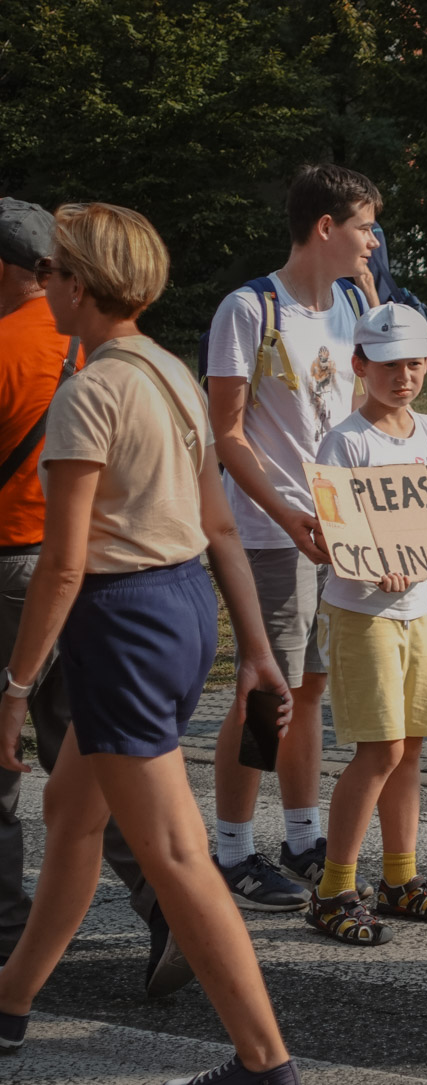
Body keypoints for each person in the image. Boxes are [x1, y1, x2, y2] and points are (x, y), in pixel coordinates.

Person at [0, 202, 299, 1085]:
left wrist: (14, 688)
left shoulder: (89, 392)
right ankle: (10, 1000)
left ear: (80, 285)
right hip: (180, 606)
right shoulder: (169, 369)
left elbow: (62, 565)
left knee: (174, 854)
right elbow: (219, 526)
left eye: (54, 271)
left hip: (121, 621)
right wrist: (254, 648)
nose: (44, 283)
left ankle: (266, 1065)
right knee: (72, 814)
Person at [0, 197, 190, 997]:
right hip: (123, 586)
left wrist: (14, 685)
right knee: (87, 769)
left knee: (10, 765)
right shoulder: (140, 358)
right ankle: (165, 905)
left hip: (29, 572)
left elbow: (60, 557)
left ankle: (9, 937)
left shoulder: (18, 350)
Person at [206, 163, 381, 910]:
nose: (374, 241)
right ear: (325, 227)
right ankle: (231, 850)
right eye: (365, 227)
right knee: (264, 690)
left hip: (336, 529)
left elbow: (372, 407)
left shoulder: (353, 303)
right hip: (271, 531)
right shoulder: (249, 308)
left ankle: (303, 838)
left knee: (310, 688)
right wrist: (285, 514)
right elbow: (226, 433)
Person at [305, 303, 427, 945]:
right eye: (388, 366)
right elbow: (332, 537)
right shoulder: (346, 441)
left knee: (409, 748)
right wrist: (373, 563)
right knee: (378, 750)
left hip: (417, 612)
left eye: (414, 364)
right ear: (359, 366)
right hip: (361, 615)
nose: (403, 377)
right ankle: (333, 891)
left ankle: (399, 880)